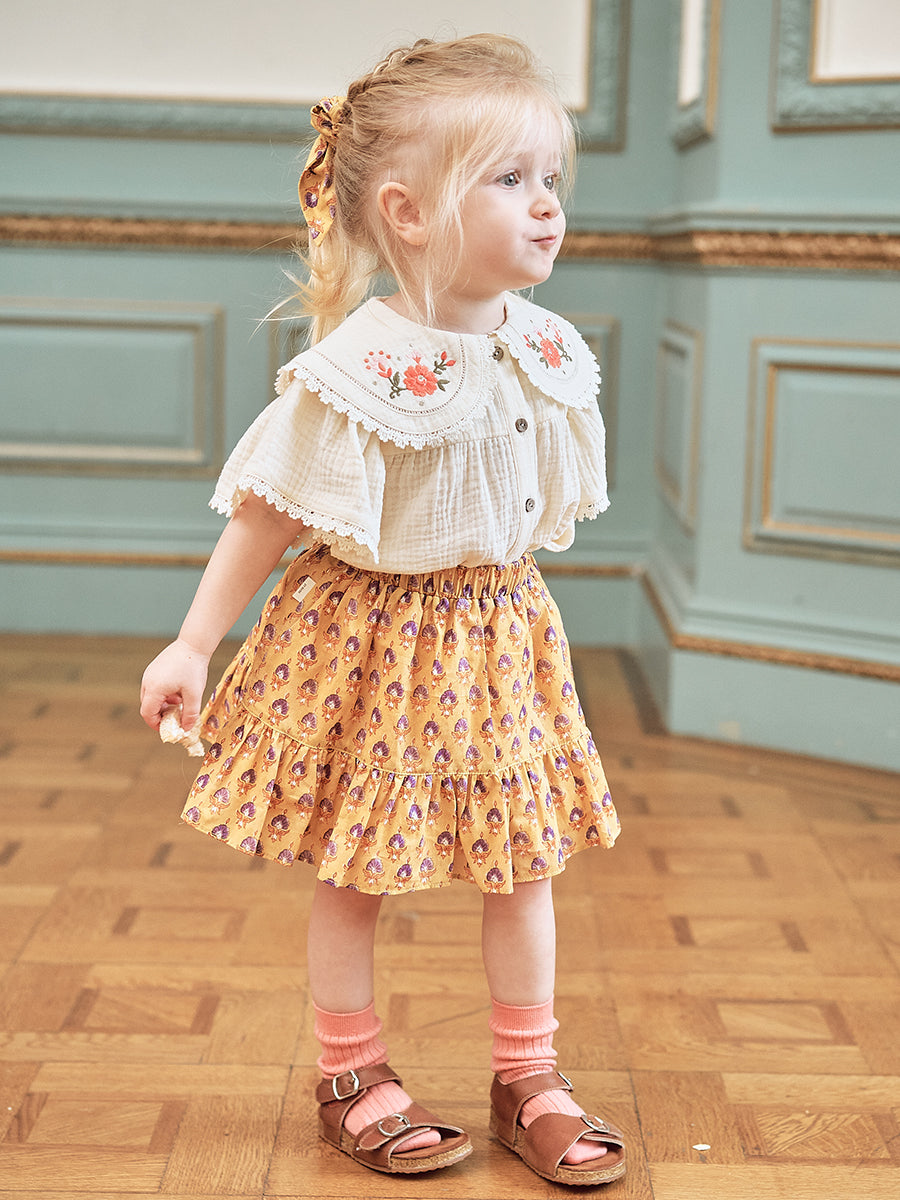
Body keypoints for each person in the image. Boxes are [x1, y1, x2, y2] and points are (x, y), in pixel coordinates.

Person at [140, 33, 624, 1186]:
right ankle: (350, 1073)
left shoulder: (545, 347)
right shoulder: (357, 372)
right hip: (369, 645)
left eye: (550, 179)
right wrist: (193, 642)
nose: (546, 206)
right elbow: (264, 514)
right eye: (509, 180)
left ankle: (529, 1075)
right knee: (356, 868)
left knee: (524, 861)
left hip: (498, 638)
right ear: (407, 214)